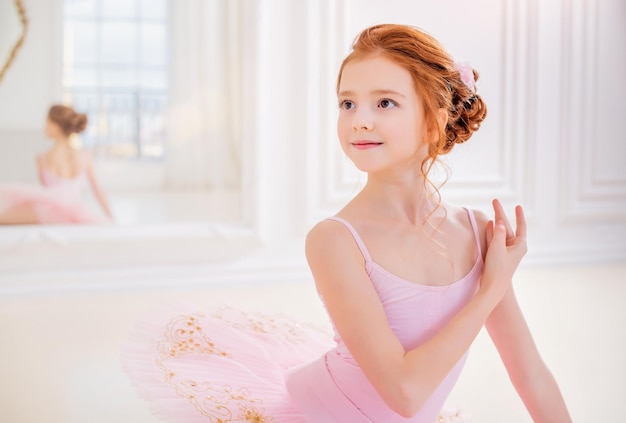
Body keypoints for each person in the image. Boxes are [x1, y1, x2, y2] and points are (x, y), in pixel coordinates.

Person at [122, 24, 572, 422]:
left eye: (385, 102)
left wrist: (492, 280)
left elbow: (530, 375)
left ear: (434, 121)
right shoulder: (336, 241)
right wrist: (490, 288)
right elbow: (405, 394)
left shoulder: (477, 233)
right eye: (348, 103)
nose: (360, 121)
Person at [0, 104, 113, 224]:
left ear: (56, 126)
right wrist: (111, 218)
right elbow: (97, 190)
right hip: (74, 214)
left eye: (47, 123)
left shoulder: (42, 158)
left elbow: (44, 196)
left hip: (49, 212)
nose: (44, 127)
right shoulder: (85, 155)